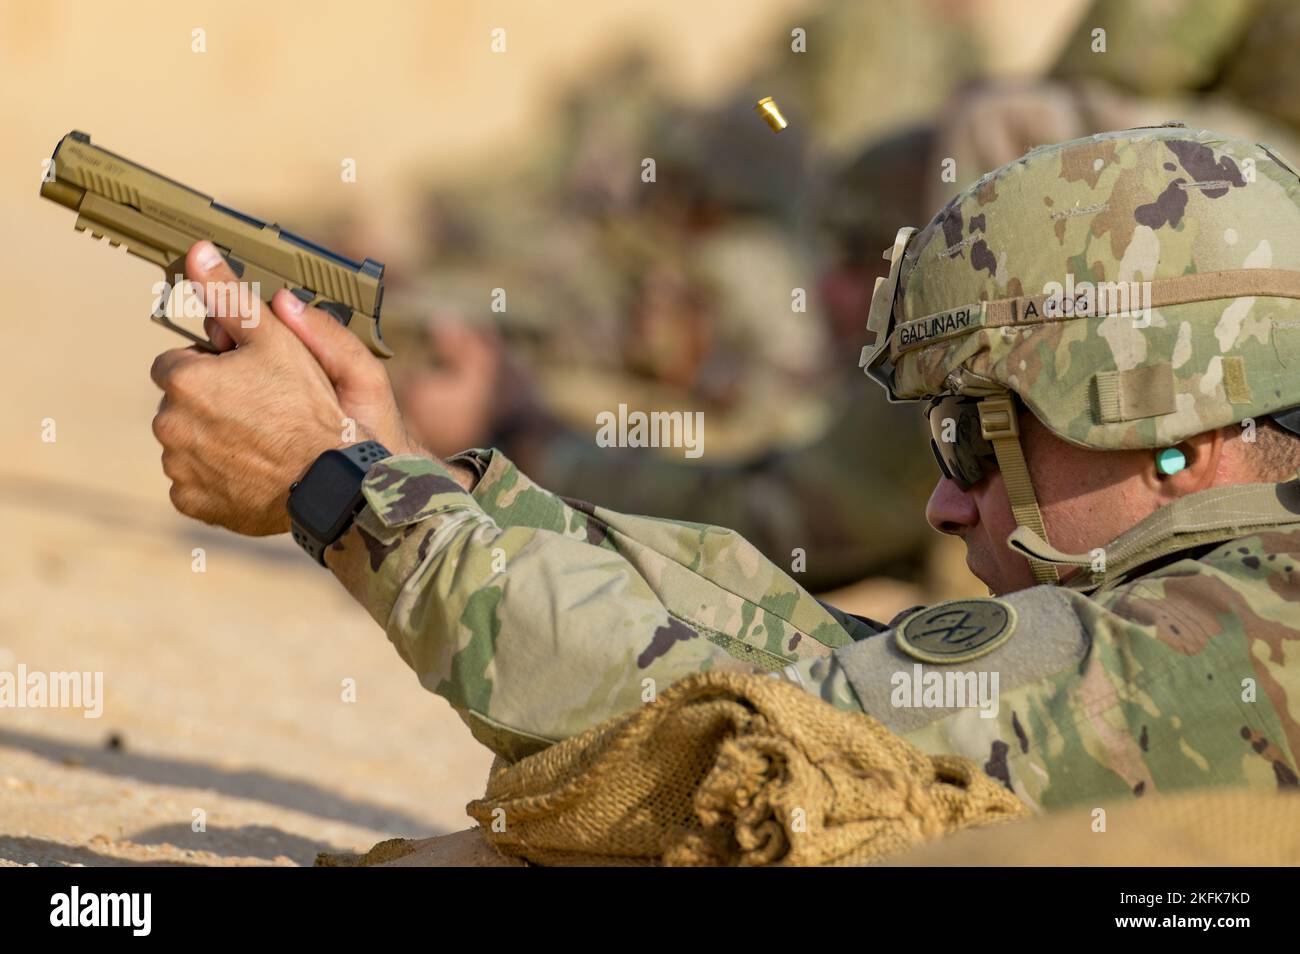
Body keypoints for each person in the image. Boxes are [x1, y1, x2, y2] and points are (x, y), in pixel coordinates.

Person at [150, 125, 1300, 811]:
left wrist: (341, 493)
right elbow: (804, 656)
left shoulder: (1211, 646)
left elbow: (736, 723)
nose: (947, 498)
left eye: (977, 437)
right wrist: (406, 472)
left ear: (1173, 435)